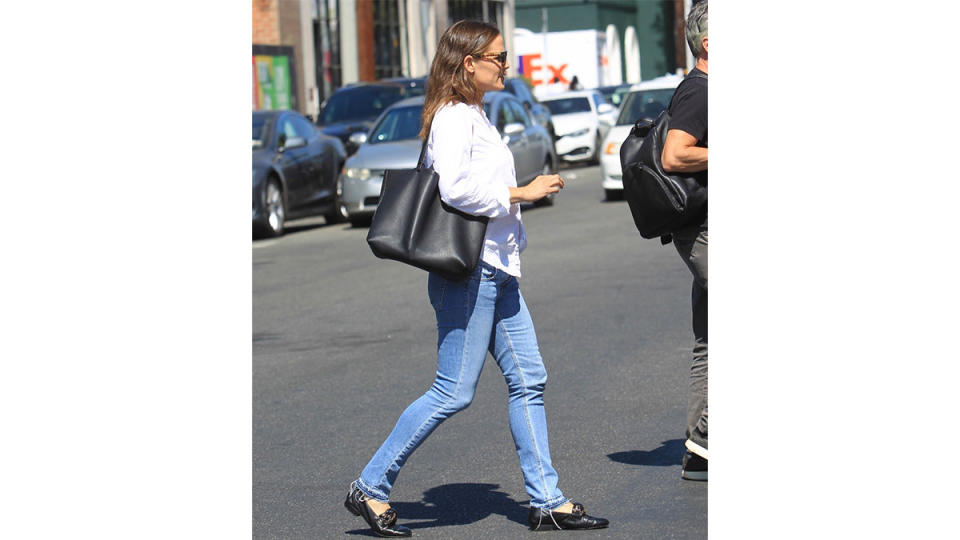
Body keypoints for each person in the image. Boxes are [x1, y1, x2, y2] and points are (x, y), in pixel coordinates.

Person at [343, 20, 609, 537]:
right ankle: (369, 487)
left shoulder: (476, 115)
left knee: (529, 380)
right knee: (452, 392)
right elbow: (455, 190)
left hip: (498, 270)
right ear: (469, 63)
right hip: (469, 274)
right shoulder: (452, 117)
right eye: (498, 57)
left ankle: (546, 501)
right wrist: (522, 193)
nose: (506, 65)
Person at [661, 0, 708, 482]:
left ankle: (700, 449)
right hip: (704, 231)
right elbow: (676, 155)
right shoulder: (700, 90)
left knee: (710, 341)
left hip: (702, 227)